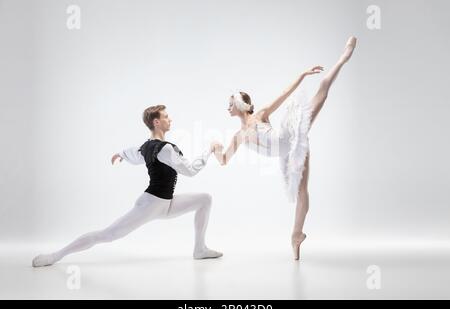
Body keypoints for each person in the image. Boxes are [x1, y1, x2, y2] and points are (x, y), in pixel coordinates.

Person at [211, 36, 357, 260]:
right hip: (287, 154)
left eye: (230, 104)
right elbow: (223, 160)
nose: (227, 107)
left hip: (290, 134)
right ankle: (296, 236)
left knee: (322, 92)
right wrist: (215, 148)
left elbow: (284, 94)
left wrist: (302, 75)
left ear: (240, 105)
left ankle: (342, 59)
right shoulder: (238, 136)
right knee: (300, 192)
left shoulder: (261, 115)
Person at [32, 105, 222, 267]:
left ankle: (200, 249)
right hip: (152, 204)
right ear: (156, 122)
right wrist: (209, 150)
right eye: (165, 116)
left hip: (166, 203)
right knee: (108, 235)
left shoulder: (148, 146)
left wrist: (121, 154)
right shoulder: (165, 149)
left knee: (205, 199)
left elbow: (135, 154)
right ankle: (55, 256)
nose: (169, 119)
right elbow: (190, 171)